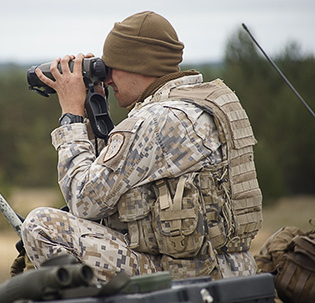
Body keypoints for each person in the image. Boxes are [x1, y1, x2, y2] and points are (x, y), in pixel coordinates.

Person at [21, 11, 263, 283]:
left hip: (187, 276)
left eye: (111, 69)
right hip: (236, 270)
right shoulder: (210, 104)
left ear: (138, 65)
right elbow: (113, 184)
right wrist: (93, 112)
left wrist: (72, 116)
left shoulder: (154, 120)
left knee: (40, 225)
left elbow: (83, 201)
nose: (108, 79)